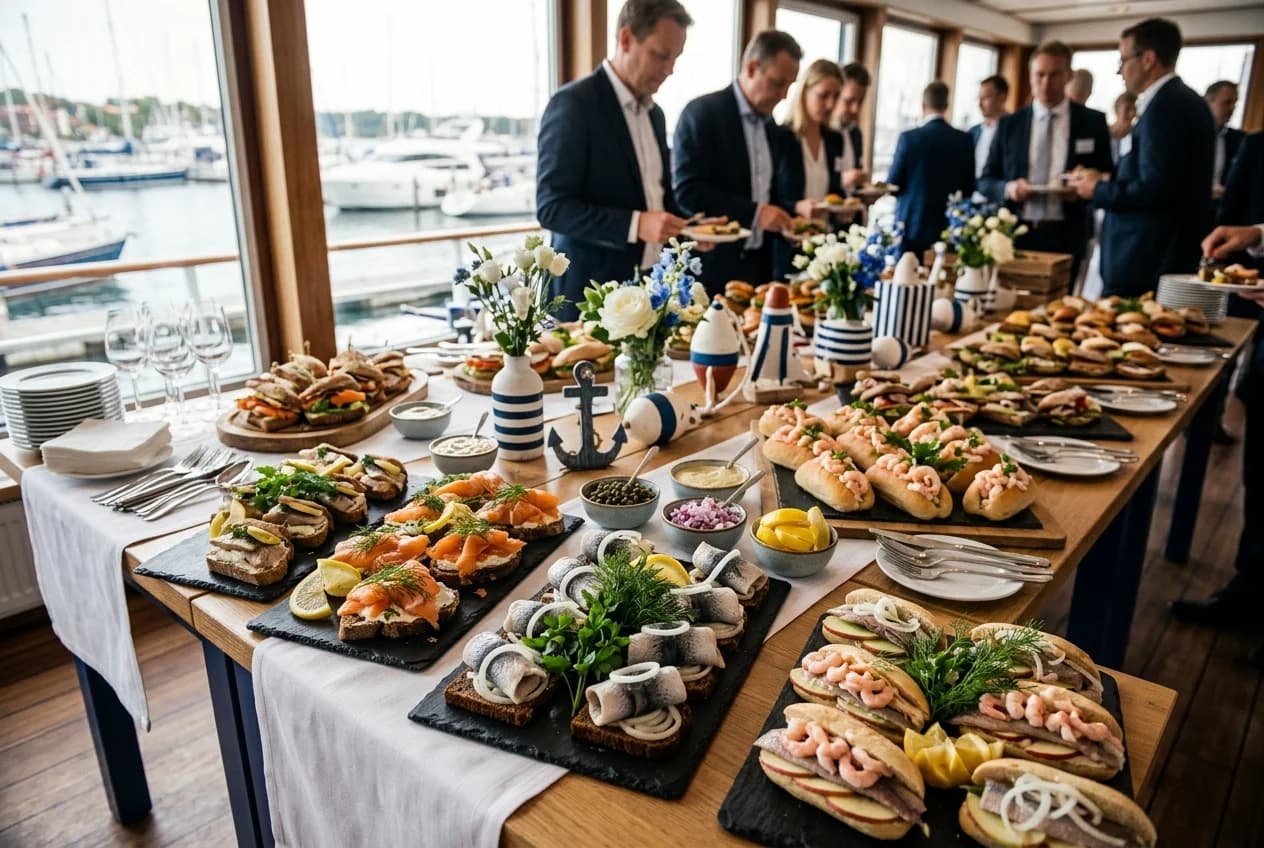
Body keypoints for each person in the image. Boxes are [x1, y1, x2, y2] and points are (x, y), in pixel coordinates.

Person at [536, 0, 692, 319]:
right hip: (586, 296)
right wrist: (636, 224)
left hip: (647, 287)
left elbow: (656, 198)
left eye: (676, 59)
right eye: (661, 55)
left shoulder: (656, 115)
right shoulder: (573, 104)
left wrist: (691, 229)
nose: (670, 69)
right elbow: (552, 207)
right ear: (625, 40)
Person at [1070, 18, 1215, 298]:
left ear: (1148, 59)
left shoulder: (1166, 107)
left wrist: (1096, 189)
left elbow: (1156, 189)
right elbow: (1162, 174)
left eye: (1123, 60)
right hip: (1159, 251)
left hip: (1147, 256)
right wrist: (1106, 178)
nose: (1119, 70)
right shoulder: (1181, 100)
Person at [674, 30, 801, 290]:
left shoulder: (771, 128)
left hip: (760, 266)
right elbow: (688, 192)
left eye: (790, 85)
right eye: (778, 83)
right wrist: (755, 213)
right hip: (710, 269)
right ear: (752, 68)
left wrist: (788, 220)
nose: (785, 95)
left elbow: (767, 194)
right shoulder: (702, 114)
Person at [979, 41, 1112, 281]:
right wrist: (1010, 189)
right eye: (1039, 75)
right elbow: (986, 180)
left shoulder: (1092, 122)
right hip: (1017, 232)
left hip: (1068, 232)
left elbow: (1107, 174)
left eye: (1054, 75)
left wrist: (1084, 186)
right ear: (1030, 76)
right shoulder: (1010, 124)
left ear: (1068, 75)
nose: (1046, 83)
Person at [770, 59, 846, 281]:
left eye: (835, 96)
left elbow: (836, 190)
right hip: (788, 247)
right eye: (824, 95)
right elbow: (770, 193)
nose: (831, 104)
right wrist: (796, 206)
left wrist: (842, 206)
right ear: (805, 91)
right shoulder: (780, 137)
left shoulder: (834, 140)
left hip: (824, 247)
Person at [885, 81, 975, 259]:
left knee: (907, 280)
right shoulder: (964, 140)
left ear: (923, 105)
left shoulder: (909, 139)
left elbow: (893, 183)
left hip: (911, 226)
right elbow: (968, 188)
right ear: (946, 106)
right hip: (948, 227)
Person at [830, 63, 871, 194]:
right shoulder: (821, 133)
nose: (856, 109)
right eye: (849, 101)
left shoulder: (856, 133)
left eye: (860, 102)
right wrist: (842, 180)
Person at [1206, 80, 1244, 199]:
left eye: (1235, 103)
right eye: (1227, 103)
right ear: (1208, 101)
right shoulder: (1188, 133)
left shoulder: (1240, 139)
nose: (1233, 108)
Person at [969, 74, 1010, 179]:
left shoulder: (1016, 130)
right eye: (979, 98)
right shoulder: (973, 132)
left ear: (1002, 97)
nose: (980, 104)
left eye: (986, 98)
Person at [1108, 91, 1137, 164]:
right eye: (1127, 109)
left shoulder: (1137, 134)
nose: (1132, 114)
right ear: (1116, 109)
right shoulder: (1103, 132)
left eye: (1135, 109)